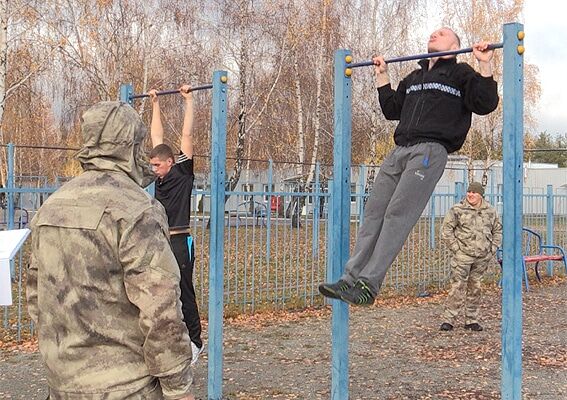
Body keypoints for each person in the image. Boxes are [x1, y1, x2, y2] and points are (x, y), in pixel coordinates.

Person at [319, 27, 499, 306]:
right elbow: (392, 110)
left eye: (442, 33)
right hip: (399, 150)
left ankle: (369, 284)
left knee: (396, 214)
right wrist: (382, 77)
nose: (434, 34)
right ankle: (349, 279)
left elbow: (486, 104)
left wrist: (485, 65)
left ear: (454, 45)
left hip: (430, 151)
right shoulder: (414, 78)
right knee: (373, 213)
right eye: (433, 33)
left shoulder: (461, 74)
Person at [27, 101, 195, 399]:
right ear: (130, 146)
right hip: (126, 388)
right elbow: (162, 312)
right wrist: (178, 388)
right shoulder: (136, 209)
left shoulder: (51, 207)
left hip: (63, 384)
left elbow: (36, 298)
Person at [149, 85, 203, 365]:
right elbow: (157, 137)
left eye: (158, 165)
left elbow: (186, 135)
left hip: (180, 240)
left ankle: (195, 342)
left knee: (183, 289)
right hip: (160, 240)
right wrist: (155, 103)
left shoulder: (182, 172)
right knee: (160, 291)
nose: (154, 169)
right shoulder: (158, 178)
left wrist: (189, 101)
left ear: (171, 162)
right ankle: (168, 339)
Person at [439, 182, 502, 331]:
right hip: (462, 256)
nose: (471, 195)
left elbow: (497, 231)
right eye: (469, 192)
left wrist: (492, 248)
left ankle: (471, 320)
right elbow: (446, 230)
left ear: (481, 195)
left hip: (481, 257)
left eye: (474, 192)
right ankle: (449, 320)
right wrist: (456, 248)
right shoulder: (457, 209)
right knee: (457, 287)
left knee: (475, 288)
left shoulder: (490, 211)